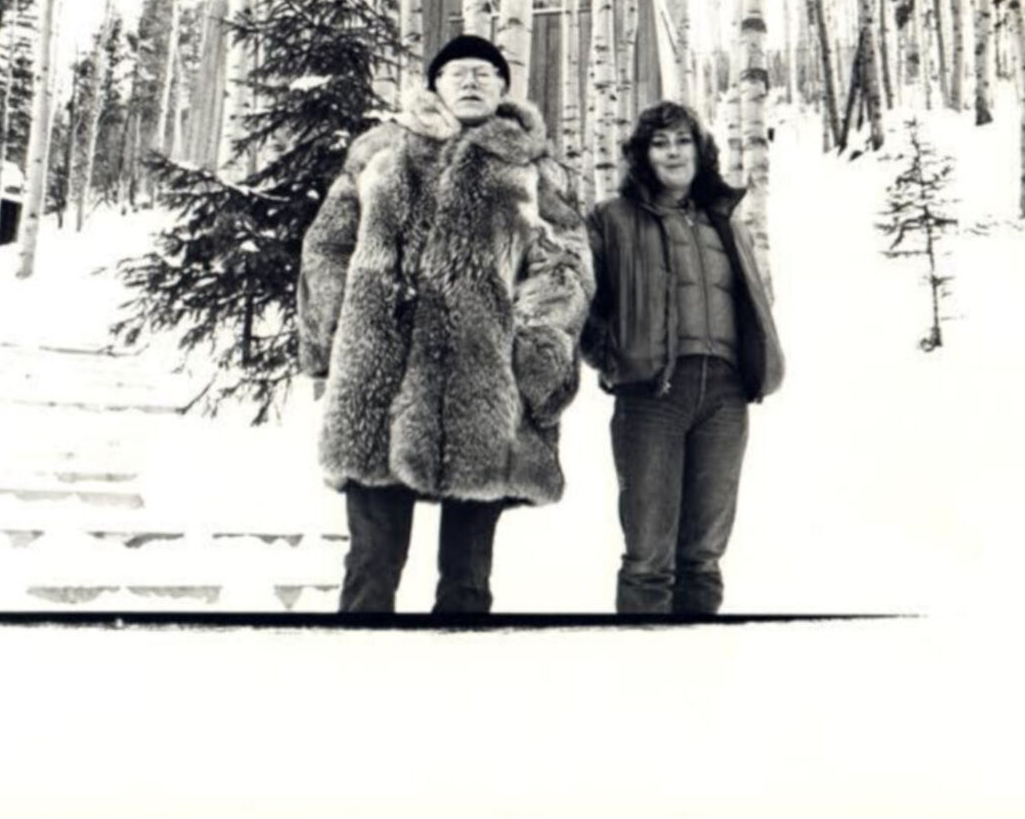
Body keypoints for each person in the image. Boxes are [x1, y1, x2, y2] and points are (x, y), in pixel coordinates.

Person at [298, 34, 594, 614]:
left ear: (504, 88)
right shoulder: (380, 153)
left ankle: (457, 687)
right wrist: (330, 343)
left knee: (467, 579)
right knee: (370, 567)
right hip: (378, 382)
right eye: (457, 71)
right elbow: (326, 246)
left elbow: (563, 263)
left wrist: (538, 349)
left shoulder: (535, 169)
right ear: (434, 84)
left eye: (485, 73)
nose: (470, 81)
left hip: (484, 385)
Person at [582, 101, 784, 615]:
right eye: (659, 142)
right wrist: (614, 357)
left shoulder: (725, 222)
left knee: (703, 557)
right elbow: (581, 301)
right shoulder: (613, 220)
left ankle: (697, 678)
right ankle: (641, 679)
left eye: (682, 140)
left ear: (701, 149)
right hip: (651, 397)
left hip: (725, 396)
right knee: (649, 557)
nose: (672, 152)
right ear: (642, 156)